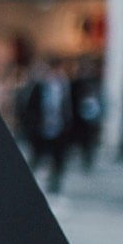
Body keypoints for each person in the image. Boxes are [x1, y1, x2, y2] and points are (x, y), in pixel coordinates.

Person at [21, 58, 74, 195]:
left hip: (59, 129)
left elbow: (68, 108)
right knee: (36, 157)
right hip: (41, 129)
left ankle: (54, 183)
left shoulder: (64, 86)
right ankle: (26, 183)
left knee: (58, 159)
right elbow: (30, 109)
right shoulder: (39, 87)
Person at [70, 59, 104, 173]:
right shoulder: (75, 84)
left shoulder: (94, 84)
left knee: (88, 142)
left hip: (89, 119)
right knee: (81, 141)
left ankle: (86, 160)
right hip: (79, 119)